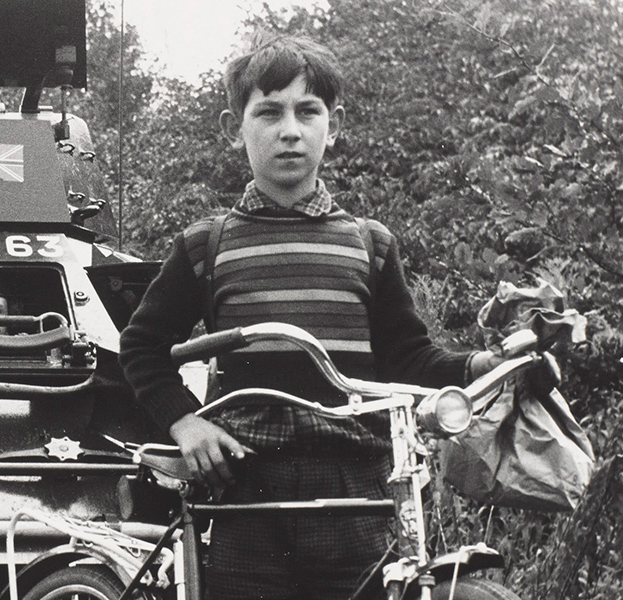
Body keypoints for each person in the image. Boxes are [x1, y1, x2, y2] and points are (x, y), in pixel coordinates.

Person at [119, 34, 503, 600]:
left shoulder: (369, 245)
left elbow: (410, 359)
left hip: (358, 493)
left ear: (334, 123)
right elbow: (143, 347)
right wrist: (186, 422)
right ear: (236, 127)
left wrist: (483, 363)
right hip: (247, 489)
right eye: (268, 112)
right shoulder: (208, 244)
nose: (290, 130)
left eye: (308, 111)